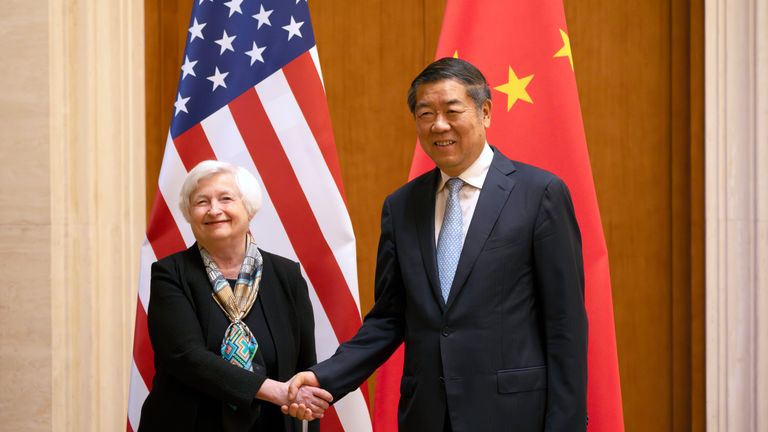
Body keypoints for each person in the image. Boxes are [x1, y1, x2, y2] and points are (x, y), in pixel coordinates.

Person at [284, 58, 588, 431]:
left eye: (452, 110)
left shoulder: (539, 194)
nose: (438, 125)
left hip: (513, 414)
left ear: (485, 112)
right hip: (426, 414)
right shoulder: (401, 206)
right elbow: (389, 318)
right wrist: (325, 377)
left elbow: (565, 323)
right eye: (425, 113)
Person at [139, 160, 332, 431]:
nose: (214, 209)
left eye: (226, 199)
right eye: (201, 202)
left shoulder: (286, 275)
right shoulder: (170, 274)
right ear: (189, 213)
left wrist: (305, 408)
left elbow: (305, 366)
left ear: (248, 209)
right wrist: (275, 390)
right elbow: (186, 356)